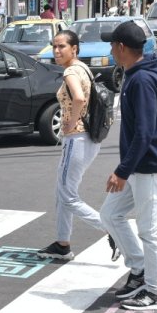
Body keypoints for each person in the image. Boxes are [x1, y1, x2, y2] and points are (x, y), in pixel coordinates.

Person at [100, 21, 157, 311]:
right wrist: (126, 168)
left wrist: (122, 171)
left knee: (149, 230)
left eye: (112, 45)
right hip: (138, 165)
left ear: (121, 47)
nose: (110, 50)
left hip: (151, 166)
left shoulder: (142, 80)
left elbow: (144, 133)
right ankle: (139, 269)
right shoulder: (136, 74)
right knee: (110, 214)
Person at [37, 30, 116, 262]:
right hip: (88, 139)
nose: (57, 51)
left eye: (62, 46)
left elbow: (79, 98)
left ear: (74, 49)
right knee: (63, 192)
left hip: (76, 138)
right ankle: (62, 244)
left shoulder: (71, 71)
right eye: (54, 46)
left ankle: (113, 230)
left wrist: (70, 124)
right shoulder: (83, 68)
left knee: (68, 196)